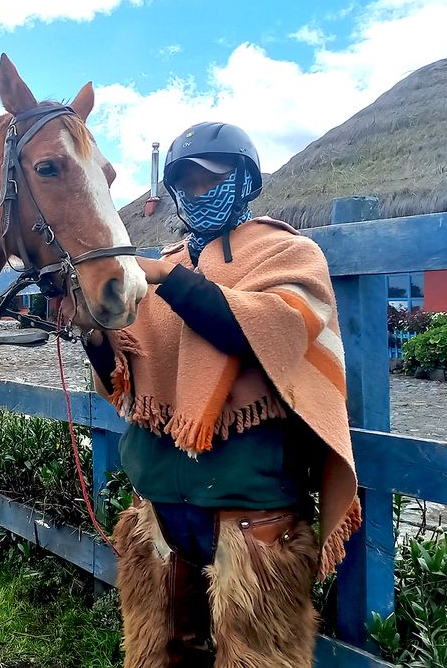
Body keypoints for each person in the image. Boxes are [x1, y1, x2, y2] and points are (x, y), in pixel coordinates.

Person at [84, 122, 361, 667]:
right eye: (184, 183)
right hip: (159, 513)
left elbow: (269, 329)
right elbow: (128, 375)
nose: (195, 193)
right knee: (160, 653)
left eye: (210, 181)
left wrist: (170, 278)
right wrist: (93, 331)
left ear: (244, 181)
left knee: (257, 656)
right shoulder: (165, 263)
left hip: (252, 516)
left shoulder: (290, 254)